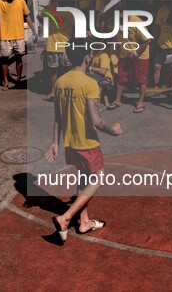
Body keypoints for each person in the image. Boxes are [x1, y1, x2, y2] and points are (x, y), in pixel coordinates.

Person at [45, 42, 123, 244]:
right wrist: (113, 131)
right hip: (87, 142)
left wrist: (55, 142)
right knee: (98, 178)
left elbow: (57, 117)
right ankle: (66, 218)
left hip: (70, 143)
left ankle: (84, 222)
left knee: (84, 179)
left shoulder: (61, 81)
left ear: (69, 58)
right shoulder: (89, 83)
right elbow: (96, 120)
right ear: (87, 57)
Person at [113, 13, 151, 113]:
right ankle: (117, 100)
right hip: (125, 53)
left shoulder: (137, 22)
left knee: (141, 79)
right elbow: (103, 29)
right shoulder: (115, 20)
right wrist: (101, 16)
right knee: (121, 77)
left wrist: (135, 53)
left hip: (140, 55)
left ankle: (140, 102)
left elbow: (148, 39)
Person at [39, 0, 71, 101]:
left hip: (66, 47)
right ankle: (53, 91)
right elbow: (40, 19)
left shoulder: (70, 12)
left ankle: (67, 92)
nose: (52, 0)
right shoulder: (47, 10)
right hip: (51, 46)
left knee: (68, 71)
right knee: (53, 71)